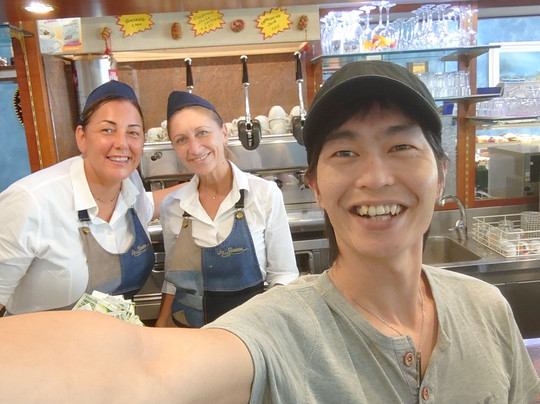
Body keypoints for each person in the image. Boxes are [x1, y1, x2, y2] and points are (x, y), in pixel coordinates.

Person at [1, 61, 540, 404]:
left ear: (441, 173)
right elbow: (141, 364)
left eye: (401, 146)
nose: (376, 176)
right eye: (345, 152)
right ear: (317, 184)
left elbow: (280, 272)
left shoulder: (487, 310)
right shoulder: (283, 333)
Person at [0, 80, 181, 315]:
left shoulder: (130, 182)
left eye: (133, 132)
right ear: (82, 137)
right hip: (41, 338)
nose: (122, 143)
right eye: (108, 130)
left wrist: (205, 183)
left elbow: (148, 204)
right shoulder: (30, 202)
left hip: (115, 336)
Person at [155, 91, 298, 327]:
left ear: (223, 133)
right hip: (189, 335)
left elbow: (284, 275)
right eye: (181, 140)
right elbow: (173, 278)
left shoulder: (264, 194)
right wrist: (160, 325)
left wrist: (273, 329)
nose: (194, 148)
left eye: (202, 132)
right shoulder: (173, 207)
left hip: (249, 333)